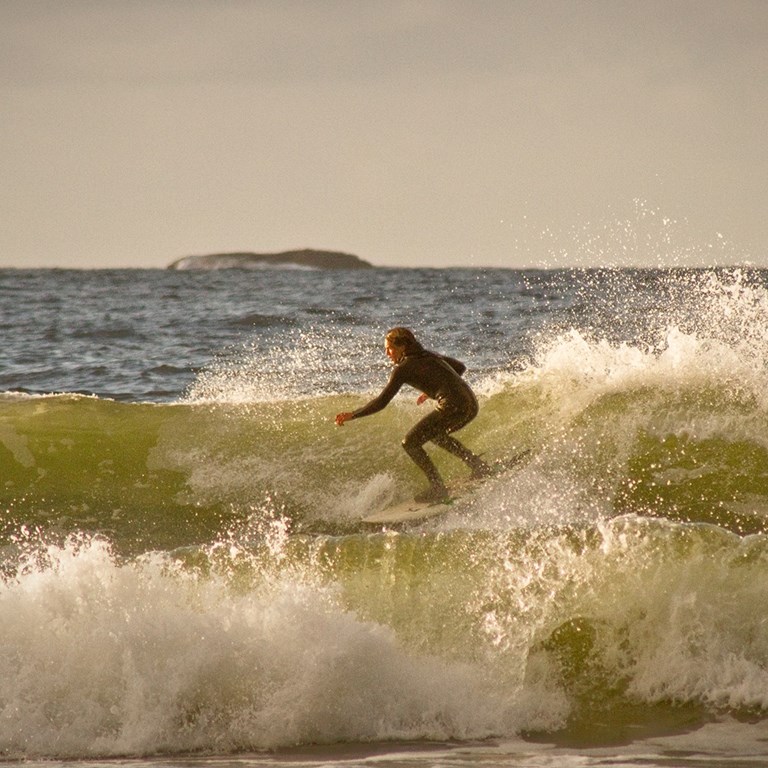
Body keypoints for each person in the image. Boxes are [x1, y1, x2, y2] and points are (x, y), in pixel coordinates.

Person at [335, 327, 491, 502]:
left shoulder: (403, 368)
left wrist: (353, 415)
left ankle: (438, 487)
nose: (387, 353)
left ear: (402, 347)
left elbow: (382, 402)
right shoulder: (430, 355)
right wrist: (435, 386)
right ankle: (478, 465)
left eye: (390, 348)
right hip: (470, 404)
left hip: (452, 406)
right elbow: (460, 367)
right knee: (435, 435)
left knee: (410, 443)